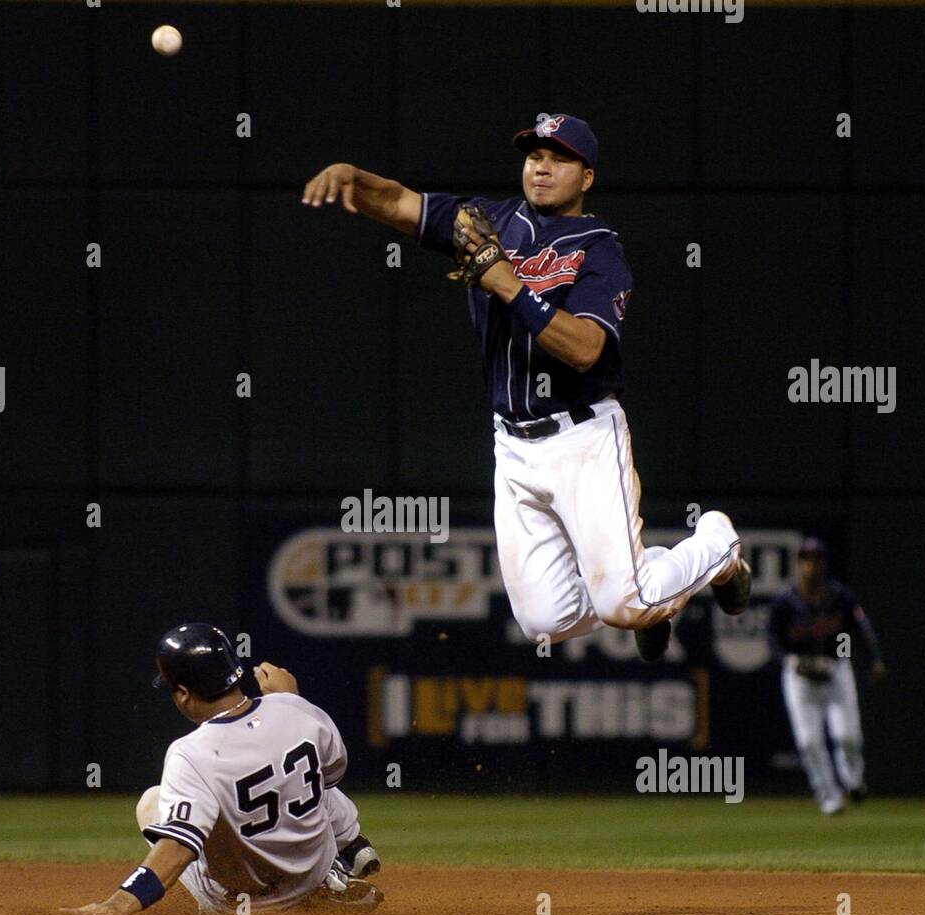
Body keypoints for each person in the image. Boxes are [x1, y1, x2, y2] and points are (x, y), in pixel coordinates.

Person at [302, 112, 750, 663]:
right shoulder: (486, 220)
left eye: (559, 158)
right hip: (513, 444)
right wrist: (353, 176)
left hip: (582, 437)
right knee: (546, 619)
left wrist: (508, 286)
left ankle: (717, 545)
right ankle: (654, 593)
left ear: (586, 176)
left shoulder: (598, 248)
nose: (541, 168)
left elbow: (587, 349)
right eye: (534, 156)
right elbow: (399, 202)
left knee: (624, 606)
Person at [61, 623, 381, 915]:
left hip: (251, 904)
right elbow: (333, 775)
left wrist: (115, 905)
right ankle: (345, 855)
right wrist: (290, 701)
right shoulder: (298, 709)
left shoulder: (190, 754)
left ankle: (243, 896)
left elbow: (177, 847)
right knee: (311, 776)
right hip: (311, 873)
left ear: (184, 694)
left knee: (153, 802)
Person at [768, 539, 886, 815]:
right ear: (799, 564)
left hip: (835, 671)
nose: (812, 564)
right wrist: (787, 660)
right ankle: (829, 795)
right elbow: (772, 641)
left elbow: (862, 628)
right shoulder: (785, 602)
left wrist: (874, 659)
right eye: (806, 559)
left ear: (824, 563)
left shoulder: (839, 596)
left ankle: (854, 781)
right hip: (799, 676)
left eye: (817, 559)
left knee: (848, 736)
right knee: (809, 742)